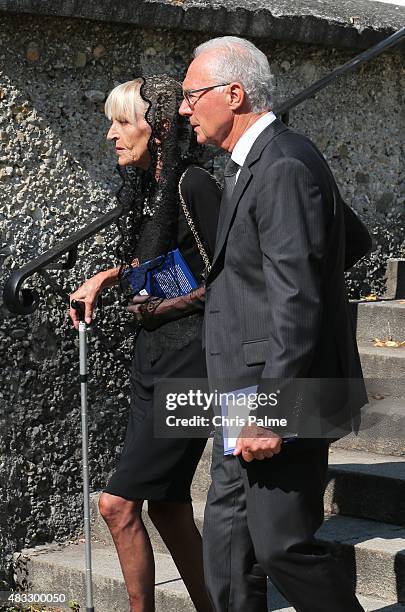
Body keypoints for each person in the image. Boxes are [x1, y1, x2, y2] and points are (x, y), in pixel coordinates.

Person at [179, 37, 372, 612]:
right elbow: (351, 239)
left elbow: (297, 297)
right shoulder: (255, 163)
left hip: (276, 389)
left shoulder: (283, 163)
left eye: (192, 95)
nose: (184, 109)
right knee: (228, 544)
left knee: (281, 545)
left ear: (233, 94)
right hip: (243, 384)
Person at [69, 76, 220, 612]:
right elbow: (159, 264)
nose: (111, 134)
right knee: (169, 506)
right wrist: (109, 277)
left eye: (122, 122)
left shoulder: (193, 184)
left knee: (116, 504)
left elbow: (235, 276)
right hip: (153, 358)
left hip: (194, 364)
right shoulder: (150, 189)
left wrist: (163, 305)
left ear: (156, 130)